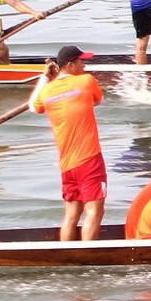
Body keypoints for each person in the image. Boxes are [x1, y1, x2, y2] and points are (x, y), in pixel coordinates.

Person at [28, 45, 106, 242]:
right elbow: (99, 100)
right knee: (94, 213)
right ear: (70, 65)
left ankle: (68, 258)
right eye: (82, 62)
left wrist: (46, 78)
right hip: (89, 159)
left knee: (71, 216)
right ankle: (88, 261)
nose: (85, 65)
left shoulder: (47, 92)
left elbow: (32, 107)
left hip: (66, 165)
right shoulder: (86, 81)